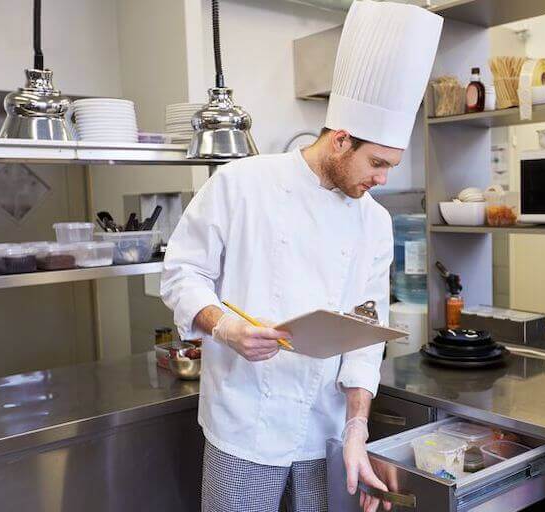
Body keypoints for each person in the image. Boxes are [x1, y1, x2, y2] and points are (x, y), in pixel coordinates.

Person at [160, 2, 442, 511]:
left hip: (324, 427)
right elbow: (182, 275)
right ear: (339, 140)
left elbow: (364, 330)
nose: (383, 179)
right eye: (377, 162)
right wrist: (226, 328)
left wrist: (357, 427)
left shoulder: (374, 221)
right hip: (244, 425)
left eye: (391, 166)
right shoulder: (241, 184)